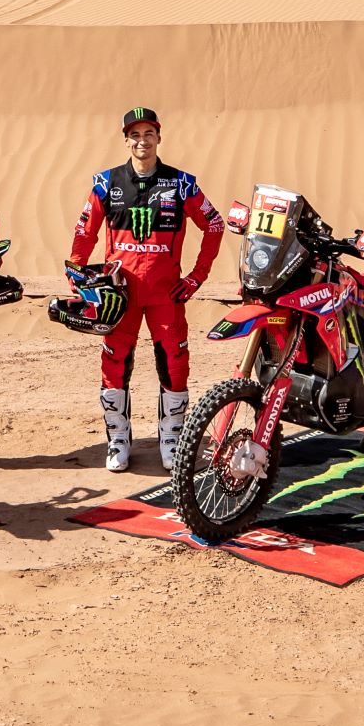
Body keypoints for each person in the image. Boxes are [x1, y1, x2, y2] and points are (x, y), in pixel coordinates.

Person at [67, 106, 225, 471]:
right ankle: (118, 440)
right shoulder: (106, 183)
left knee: (174, 364)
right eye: (135, 135)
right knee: (114, 365)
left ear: (158, 136)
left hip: (166, 295)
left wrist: (197, 277)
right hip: (118, 295)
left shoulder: (182, 184)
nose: (142, 140)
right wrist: (78, 275)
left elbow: (214, 225)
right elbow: (84, 232)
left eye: (148, 133)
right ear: (126, 139)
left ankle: (171, 439)